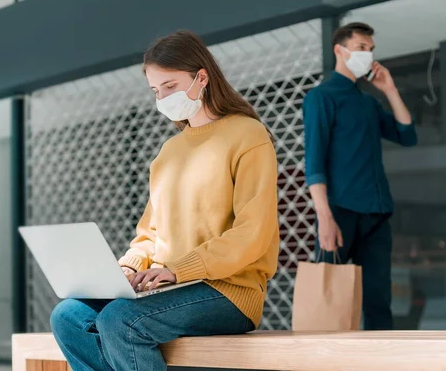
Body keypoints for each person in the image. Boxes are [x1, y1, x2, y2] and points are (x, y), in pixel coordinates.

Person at [50, 30, 280, 370]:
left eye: (170, 86)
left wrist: (176, 270)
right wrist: (128, 266)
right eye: (156, 91)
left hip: (229, 292)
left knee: (120, 320)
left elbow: (252, 233)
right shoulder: (169, 152)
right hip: (169, 290)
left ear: (202, 77)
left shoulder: (247, 135)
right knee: (68, 316)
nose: (163, 97)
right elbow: (151, 234)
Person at [303, 22, 418, 331]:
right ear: (340, 51)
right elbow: (314, 162)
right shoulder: (320, 97)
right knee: (332, 303)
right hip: (339, 214)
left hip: (377, 214)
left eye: (371, 50)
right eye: (362, 48)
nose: (368, 55)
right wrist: (324, 217)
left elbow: (407, 135)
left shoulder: (368, 102)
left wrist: (390, 89)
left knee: (379, 303)